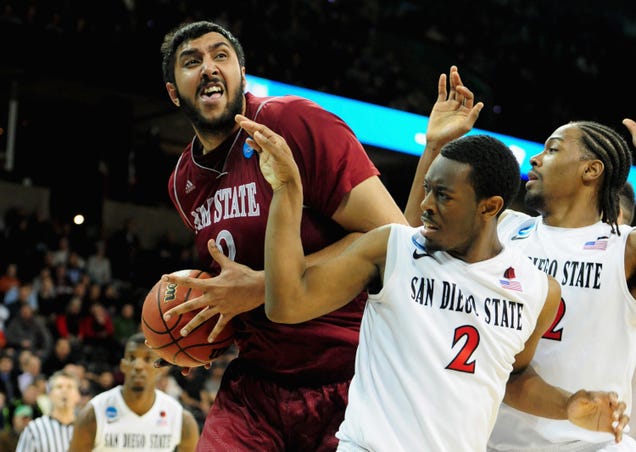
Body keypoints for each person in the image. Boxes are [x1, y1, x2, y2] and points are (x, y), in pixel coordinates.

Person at [155, 19, 482, 451]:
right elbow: (229, 276)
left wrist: (263, 285)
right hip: (255, 389)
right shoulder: (182, 182)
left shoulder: (294, 122)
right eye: (191, 61)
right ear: (174, 91)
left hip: (347, 378)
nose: (209, 67)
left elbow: (391, 237)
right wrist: (197, 330)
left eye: (221, 55)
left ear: (241, 73)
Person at [246, 116, 626, 450]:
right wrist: (287, 193)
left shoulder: (538, 290)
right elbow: (287, 304)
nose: (427, 204)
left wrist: (568, 404)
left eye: (442, 196)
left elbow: (516, 376)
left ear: (490, 207)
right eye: (428, 190)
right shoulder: (392, 247)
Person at [409, 111, 636, 448]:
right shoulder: (505, 227)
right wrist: (435, 147)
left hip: (590, 442)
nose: (536, 158)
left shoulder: (623, 248)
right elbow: (413, 244)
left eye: (554, 149)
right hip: (493, 438)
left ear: (591, 169)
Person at [68, 332, 199, 451]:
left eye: (147, 359)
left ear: (161, 368)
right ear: (123, 365)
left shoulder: (179, 418)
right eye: (131, 358)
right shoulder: (94, 413)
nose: (138, 366)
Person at [15, 369, 81, 452]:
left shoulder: (86, 429)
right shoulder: (34, 429)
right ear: (50, 395)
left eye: (70, 387)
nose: (64, 391)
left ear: (78, 396)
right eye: (59, 387)